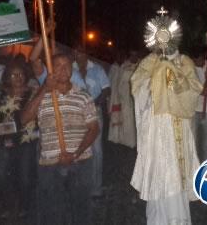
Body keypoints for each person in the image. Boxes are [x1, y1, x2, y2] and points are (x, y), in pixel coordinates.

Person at [21, 52, 99, 225]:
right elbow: (24, 118)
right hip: (49, 162)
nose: (63, 69)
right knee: (52, 210)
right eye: (58, 65)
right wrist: (44, 89)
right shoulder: (41, 93)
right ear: (51, 69)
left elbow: (94, 129)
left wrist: (75, 154)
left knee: (81, 208)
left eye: (67, 65)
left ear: (72, 69)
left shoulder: (83, 95)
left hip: (80, 161)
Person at [131, 46, 202, 225]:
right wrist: (156, 77)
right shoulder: (149, 61)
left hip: (180, 123)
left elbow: (192, 91)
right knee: (159, 171)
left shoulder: (185, 61)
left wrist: (171, 71)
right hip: (157, 127)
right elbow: (138, 89)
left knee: (178, 174)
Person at [0, 60, 39, 219]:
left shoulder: (32, 92)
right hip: (2, 141)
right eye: (13, 75)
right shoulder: (1, 94)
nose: (18, 77)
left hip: (25, 141)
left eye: (21, 74)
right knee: (0, 175)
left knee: (24, 177)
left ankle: (25, 205)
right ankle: (8, 205)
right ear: (7, 77)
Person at [72, 46, 110, 197]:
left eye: (80, 51)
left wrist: (95, 103)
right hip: (75, 114)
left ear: (86, 53)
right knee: (77, 147)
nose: (77, 54)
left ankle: (95, 187)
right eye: (75, 52)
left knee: (96, 150)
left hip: (94, 113)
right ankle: (79, 185)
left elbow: (107, 89)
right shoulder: (70, 69)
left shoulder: (97, 70)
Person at [108, 50, 138, 148]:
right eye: (132, 55)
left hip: (135, 98)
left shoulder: (141, 66)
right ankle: (126, 140)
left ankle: (134, 141)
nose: (133, 57)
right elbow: (118, 83)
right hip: (124, 98)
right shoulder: (124, 67)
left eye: (135, 55)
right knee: (125, 120)